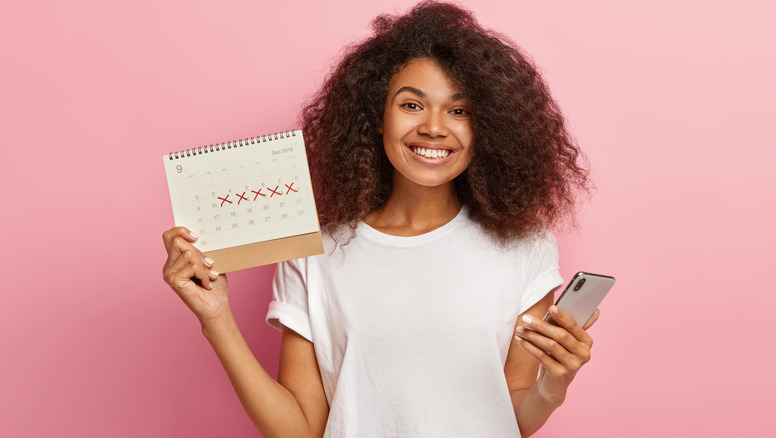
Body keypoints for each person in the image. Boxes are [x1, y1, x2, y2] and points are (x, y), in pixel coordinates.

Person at [162, 2, 596, 437]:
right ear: (376, 117)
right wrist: (216, 318)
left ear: (488, 127)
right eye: (412, 104)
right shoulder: (316, 250)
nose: (434, 127)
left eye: (459, 111)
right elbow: (300, 430)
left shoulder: (524, 244)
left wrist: (552, 387)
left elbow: (512, 415)